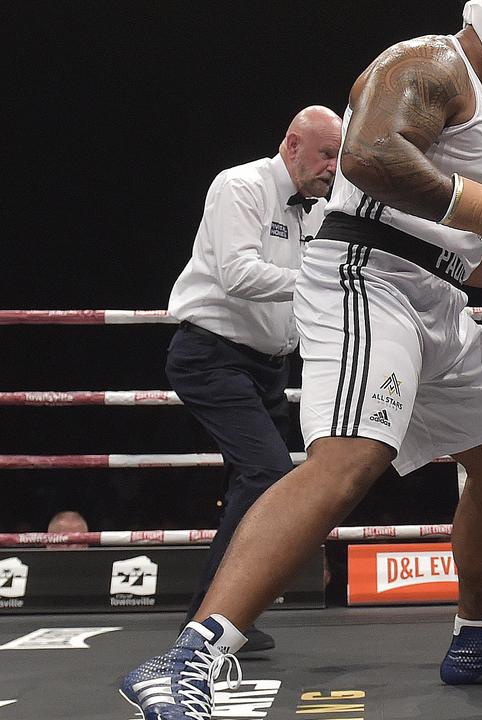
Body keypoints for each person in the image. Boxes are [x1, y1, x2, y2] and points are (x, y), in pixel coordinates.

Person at [122, 1, 482, 717]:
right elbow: (372, 157)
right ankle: (187, 657)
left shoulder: (481, 115)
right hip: (365, 279)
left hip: (430, 294)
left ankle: (479, 638)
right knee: (349, 458)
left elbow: (450, 247)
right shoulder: (428, 64)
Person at [163, 105, 342, 653]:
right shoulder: (239, 186)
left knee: (258, 481)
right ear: (291, 144)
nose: (334, 167)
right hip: (210, 355)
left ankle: (223, 614)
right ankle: (208, 619)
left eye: (339, 156)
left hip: (268, 366)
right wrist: (316, 282)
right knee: (266, 473)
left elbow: (324, 283)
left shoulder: (316, 210)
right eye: (325, 154)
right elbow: (236, 273)